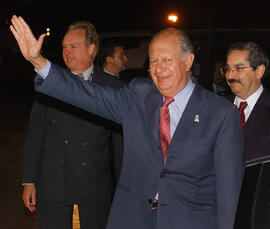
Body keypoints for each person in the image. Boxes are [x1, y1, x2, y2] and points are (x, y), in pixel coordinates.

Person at [10, 15, 244, 229]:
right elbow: (86, 94)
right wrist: (38, 61)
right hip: (134, 218)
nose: (158, 68)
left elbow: (228, 192)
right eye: (153, 61)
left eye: (166, 60)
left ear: (188, 61)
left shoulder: (221, 114)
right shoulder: (137, 96)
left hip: (189, 221)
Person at [20, 19, 124, 229]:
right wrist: (29, 181)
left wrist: (124, 191)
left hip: (94, 187)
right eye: (64, 47)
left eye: (74, 47)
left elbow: (120, 148)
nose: (67, 52)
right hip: (54, 185)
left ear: (91, 48)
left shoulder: (111, 87)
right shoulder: (49, 82)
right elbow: (36, 134)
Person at [222, 41, 270, 162]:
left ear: (259, 71)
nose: (229, 76)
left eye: (239, 68)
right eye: (228, 69)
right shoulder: (215, 108)